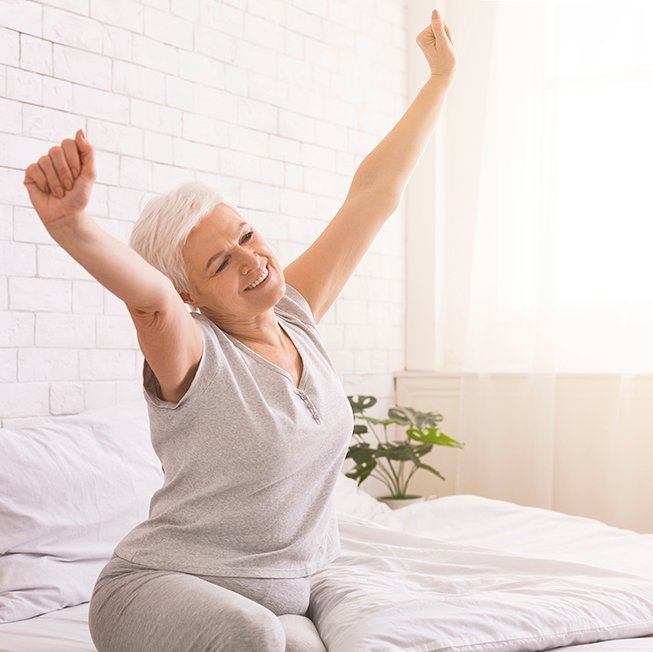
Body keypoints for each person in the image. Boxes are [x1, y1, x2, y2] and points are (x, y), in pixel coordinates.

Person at [21, 10, 456, 652]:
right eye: (222, 262)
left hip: (278, 598)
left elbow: (373, 193)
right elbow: (151, 304)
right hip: (158, 589)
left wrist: (441, 78)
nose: (253, 260)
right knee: (255, 637)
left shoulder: (295, 316)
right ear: (192, 293)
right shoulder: (193, 349)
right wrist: (70, 227)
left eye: (247, 235)